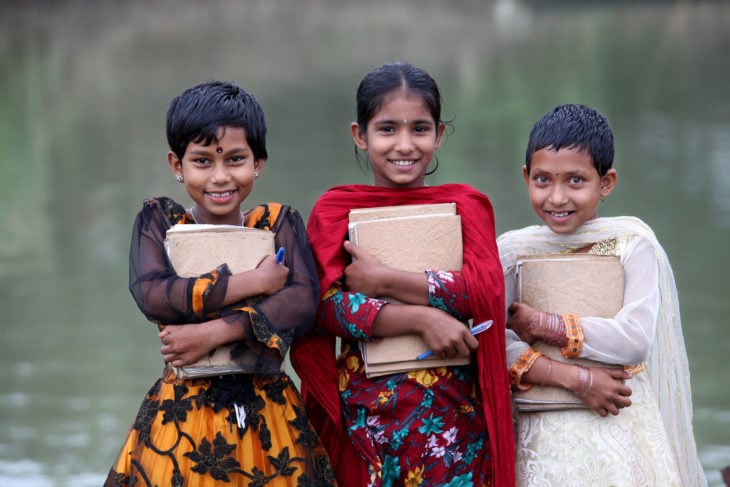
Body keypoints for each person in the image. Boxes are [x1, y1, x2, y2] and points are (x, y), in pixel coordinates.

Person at [290, 62, 515, 487]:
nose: (405, 145)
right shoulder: (336, 211)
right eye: (388, 129)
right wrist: (421, 318)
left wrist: (386, 281)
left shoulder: (465, 207)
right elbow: (321, 307)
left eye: (420, 129)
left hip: (452, 417)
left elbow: (485, 294)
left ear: (439, 134)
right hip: (369, 414)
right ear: (360, 135)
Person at [105, 81, 336, 486]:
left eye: (235, 159)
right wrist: (255, 281)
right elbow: (155, 295)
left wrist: (213, 332)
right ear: (177, 165)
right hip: (182, 417)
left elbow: (301, 303)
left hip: (269, 414)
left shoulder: (278, 224)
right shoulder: (162, 222)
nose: (220, 176)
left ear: (258, 162)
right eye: (202, 161)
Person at [498, 103, 707, 486]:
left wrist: (541, 323)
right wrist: (578, 379)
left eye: (575, 181)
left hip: (619, 421)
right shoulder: (513, 253)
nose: (557, 198)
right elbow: (496, 340)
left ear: (606, 183)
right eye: (543, 180)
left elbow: (634, 340)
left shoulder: (631, 245)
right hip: (540, 424)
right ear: (526, 177)